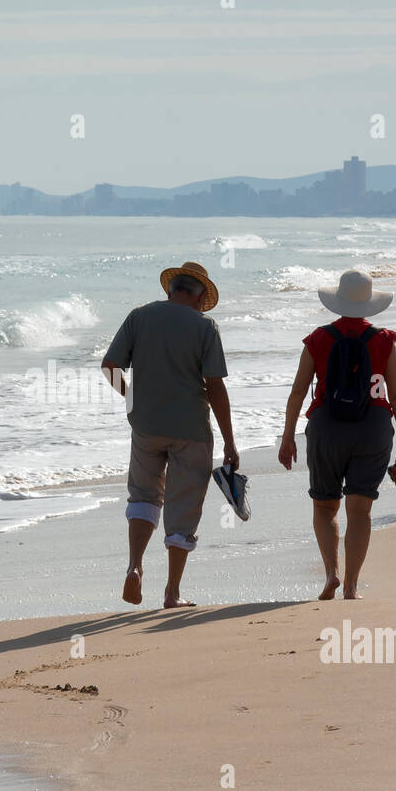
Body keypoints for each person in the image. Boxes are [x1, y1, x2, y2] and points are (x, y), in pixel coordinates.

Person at [102, 261, 236, 609]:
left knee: (144, 496)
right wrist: (230, 442)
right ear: (200, 295)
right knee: (183, 507)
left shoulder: (140, 316)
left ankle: (134, 567)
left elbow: (110, 367)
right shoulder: (205, 326)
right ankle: (172, 592)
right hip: (190, 428)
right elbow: (215, 386)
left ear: (170, 289)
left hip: (146, 424)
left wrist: (132, 399)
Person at [278, 271, 396, 601]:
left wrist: (288, 437)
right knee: (360, 512)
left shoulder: (319, 338)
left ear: (338, 301)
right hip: (374, 427)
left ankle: (331, 575)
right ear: (369, 303)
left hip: (327, 426)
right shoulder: (384, 339)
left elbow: (298, 392)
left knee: (325, 507)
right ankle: (352, 586)